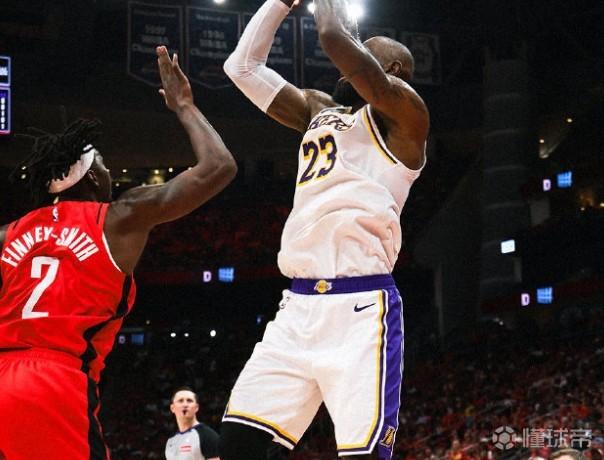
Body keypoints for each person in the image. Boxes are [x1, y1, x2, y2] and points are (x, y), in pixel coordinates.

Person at [0, 46, 237, 460]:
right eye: (105, 166)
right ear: (92, 177)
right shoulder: (118, 217)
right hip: (55, 380)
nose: (111, 173)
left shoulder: (7, 234)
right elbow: (219, 167)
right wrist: (184, 106)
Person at [220, 0, 429, 459]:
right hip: (297, 307)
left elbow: (334, 37)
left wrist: (332, 17)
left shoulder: (406, 115)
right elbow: (242, 67)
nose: (347, 55)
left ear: (392, 69)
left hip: (360, 307)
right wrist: (281, 2)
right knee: (237, 444)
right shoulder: (320, 110)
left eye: (366, 47)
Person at [165, 387, 220, 460]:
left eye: (189, 401)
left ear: (196, 407)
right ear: (172, 408)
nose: (185, 404)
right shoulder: (171, 440)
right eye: (180, 401)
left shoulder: (208, 436)